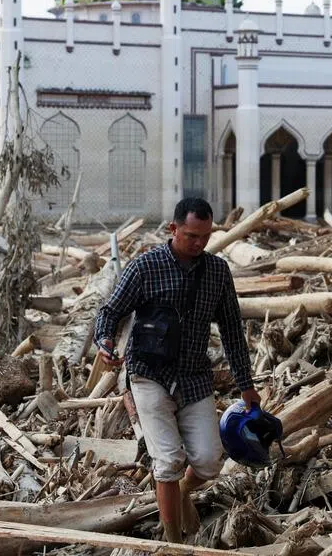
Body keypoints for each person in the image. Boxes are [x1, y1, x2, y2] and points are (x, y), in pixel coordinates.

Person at [95, 197, 260, 543]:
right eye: (191, 236)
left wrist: (246, 385)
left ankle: (183, 491)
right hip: (148, 375)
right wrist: (105, 342)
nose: (199, 243)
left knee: (208, 461)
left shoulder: (217, 272)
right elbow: (111, 312)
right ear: (173, 229)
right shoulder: (145, 267)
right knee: (167, 461)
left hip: (194, 377)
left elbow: (231, 330)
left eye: (205, 236)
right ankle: (172, 541)